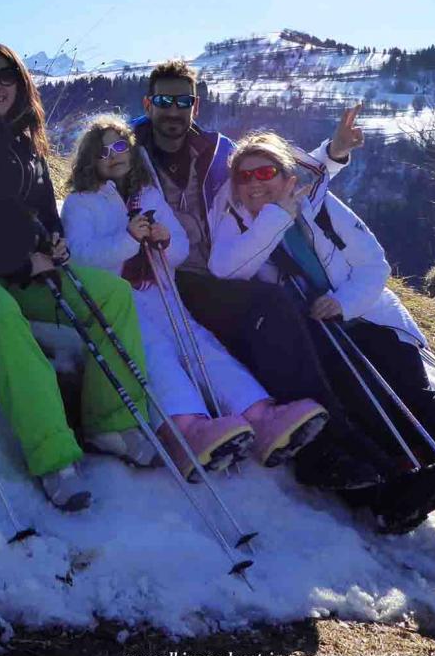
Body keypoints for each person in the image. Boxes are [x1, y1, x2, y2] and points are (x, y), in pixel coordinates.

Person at [131, 59, 435, 533]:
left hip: (232, 269)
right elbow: (90, 191)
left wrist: (332, 152)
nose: (173, 110)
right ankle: (361, 467)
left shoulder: (216, 151)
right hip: (178, 280)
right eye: (163, 101)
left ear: (195, 104)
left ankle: (383, 467)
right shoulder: (127, 155)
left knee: (297, 324)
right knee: (272, 311)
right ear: (148, 104)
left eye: (182, 100)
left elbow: (284, 171)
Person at [210, 131, 435, 558]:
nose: (254, 182)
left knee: (423, 407)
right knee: (359, 403)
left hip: (368, 317)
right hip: (318, 334)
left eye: (267, 171)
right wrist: (275, 216)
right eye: (244, 175)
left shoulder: (322, 205)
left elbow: (373, 263)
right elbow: (225, 268)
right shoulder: (235, 218)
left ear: (288, 175)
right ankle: (406, 473)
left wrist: (341, 304)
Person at [0, 45, 156, 512]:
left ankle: (109, 421)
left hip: (26, 267)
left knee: (112, 294)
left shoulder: (25, 140)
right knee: (1, 316)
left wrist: (54, 243)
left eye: (6, 76)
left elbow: (42, 210)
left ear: (20, 82)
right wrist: (19, 261)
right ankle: (53, 455)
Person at [61, 116, 328, 478]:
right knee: (156, 355)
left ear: (132, 149)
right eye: (101, 152)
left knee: (200, 345)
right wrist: (128, 239)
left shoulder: (148, 193)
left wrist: (164, 239)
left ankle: (259, 414)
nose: (112, 156)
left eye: (119, 146)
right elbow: (81, 257)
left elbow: (181, 247)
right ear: (89, 160)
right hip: (121, 300)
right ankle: (185, 428)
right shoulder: (81, 203)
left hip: (161, 289)